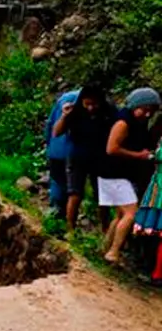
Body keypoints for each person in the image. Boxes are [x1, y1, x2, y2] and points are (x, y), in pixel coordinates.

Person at [101, 88, 161, 266]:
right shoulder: (123, 122)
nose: (148, 113)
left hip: (119, 175)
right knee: (131, 214)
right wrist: (139, 156)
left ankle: (105, 248)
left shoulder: (137, 121)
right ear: (136, 105)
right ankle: (113, 252)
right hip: (114, 174)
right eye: (145, 108)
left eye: (151, 110)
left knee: (120, 216)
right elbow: (111, 148)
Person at [52, 86, 115, 232]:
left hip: (99, 157)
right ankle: (70, 229)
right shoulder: (74, 111)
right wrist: (64, 116)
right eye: (87, 104)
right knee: (75, 194)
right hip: (77, 156)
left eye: (95, 104)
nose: (91, 108)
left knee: (102, 195)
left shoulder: (109, 111)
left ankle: (105, 228)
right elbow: (56, 132)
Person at [46, 90, 79, 219]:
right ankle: (64, 216)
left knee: (58, 181)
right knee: (70, 186)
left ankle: (56, 211)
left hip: (55, 149)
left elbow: (50, 125)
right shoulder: (85, 103)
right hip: (72, 152)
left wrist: (48, 144)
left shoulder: (64, 99)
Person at [134, 136, 162, 285]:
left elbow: (157, 155)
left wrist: (151, 155)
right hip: (156, 189)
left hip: (158, 192)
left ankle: (153, 271)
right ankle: (154, 271)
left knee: (153, 232)